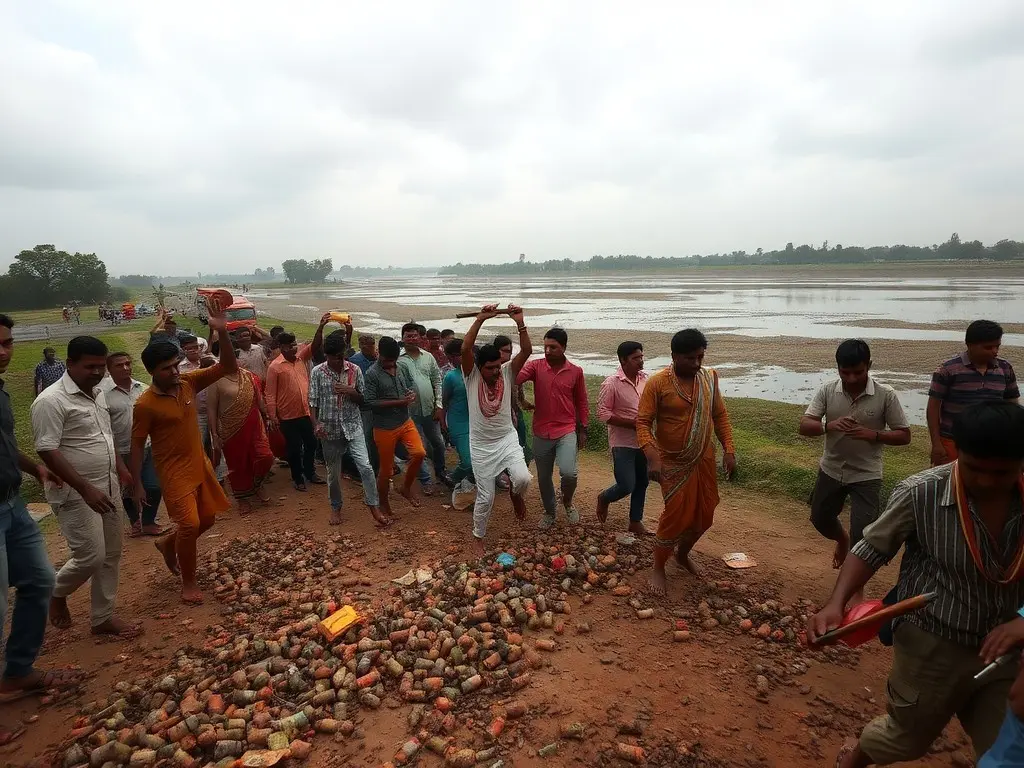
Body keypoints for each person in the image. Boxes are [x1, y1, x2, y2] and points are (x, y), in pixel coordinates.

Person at [809, 401, 1024, 768]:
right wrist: (836, 603)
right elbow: (871, 548)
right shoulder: (921, 492)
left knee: (1006, 748)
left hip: (1005, 651)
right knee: (905, 740)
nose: (987, 482)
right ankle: (859, 753)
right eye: (974, 469)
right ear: (957, 452)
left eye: (1001, 473)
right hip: (932, 644)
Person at [0, 314, 83, 725]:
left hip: (12, 502)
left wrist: (35, 470)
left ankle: (17, 671)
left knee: (38, 580)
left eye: (7, 342)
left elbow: (6, 445)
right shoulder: (47, 400)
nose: (3, 350)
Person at [131, 299, 237, 604]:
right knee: (189, 524)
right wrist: (137, 483)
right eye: (167, 369)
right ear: (152, 371)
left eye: (176, 365)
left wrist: (223, 331)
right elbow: (137, 443)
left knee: (208, 521)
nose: (175, 372)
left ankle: (168, 544)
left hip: (198, 464)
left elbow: (228, 367)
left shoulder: (188, 383)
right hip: (173, 472)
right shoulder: (145, 405)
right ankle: (188, 583)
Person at [31, 336, 134, 636]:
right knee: (91, 556)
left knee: (112, 553)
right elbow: (47, 449)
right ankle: (57, 592)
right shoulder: (51, 401)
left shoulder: (98, 393)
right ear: (70, 363)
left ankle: (102, 618)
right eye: (89, 366)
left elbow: (105, 435)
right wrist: (84, 487)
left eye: (101, 367)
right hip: (75, 492)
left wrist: (121, 468)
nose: (96, 372)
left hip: (109, 485)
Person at [799, 339, 912, 601]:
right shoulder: (828, 391)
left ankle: (856, 588)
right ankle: (842, 540)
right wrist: (830, 426)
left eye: (858, 372)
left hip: (867, 474)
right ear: (837, 367)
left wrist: (873, 435)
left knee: (865, 534)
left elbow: (904, 435)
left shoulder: (886, 395)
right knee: (820, 518)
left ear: (869, 366)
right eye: (844, 372)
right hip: (831, 469)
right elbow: (805, 426)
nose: (851, 378)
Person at [637, 329, 736, 596]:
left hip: (703, 458)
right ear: (674, 356)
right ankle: (658, 566)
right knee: (676, 516)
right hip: (672, 463)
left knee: (705, 515)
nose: (696, 364)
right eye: (690, 358)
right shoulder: (658, 383)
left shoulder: (709, 378)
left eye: (700, 357)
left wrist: (729, 449)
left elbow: (720, 415)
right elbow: (643, 423)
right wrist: (653, 457)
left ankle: (682, 554)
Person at [462, 305, 533, 555]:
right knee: (486, 497)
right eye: (489, 368)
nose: (494, 372)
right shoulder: (471, 377)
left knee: (523, 479)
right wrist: (480, 319)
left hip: (506, 439)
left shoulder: (508, 372)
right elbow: (465, 348)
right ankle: (478, 537)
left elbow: (527, 350)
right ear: (478, 367)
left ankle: (516, 495)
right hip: (481, 446)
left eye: (496, 367)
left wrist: (520, 322)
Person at [309, 332, 388, 528]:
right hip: (329, 429)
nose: (333, 361)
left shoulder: (355, 370)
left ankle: (373, 506)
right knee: (333, 474)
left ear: (343, 355)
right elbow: (312, 401)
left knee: (366, 467)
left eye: (336, 357)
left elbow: (364, 400)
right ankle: (336, 507)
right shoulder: (318, 372)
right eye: (328, 357)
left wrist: (351, 392)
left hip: (353, 426)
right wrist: (316, 424)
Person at [516, 327, 588, 528]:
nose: (548, 351)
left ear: (564, 347)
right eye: (546, 346)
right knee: (544, 476)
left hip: (566, 429)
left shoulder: (576, 371)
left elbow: (581, 402)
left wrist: (583, 429)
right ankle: (549, 512)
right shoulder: (535, 367)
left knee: (569, 473)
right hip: (541, 431)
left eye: (553, 347)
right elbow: (516, 377)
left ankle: (567, 501)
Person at [928, 320, 1019, 467]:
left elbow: (1013, 407)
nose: (995, 351)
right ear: (969, 344)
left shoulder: (1005, 368)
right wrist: (936, 444)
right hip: (953, 442)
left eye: (997, 346)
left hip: (994, 443)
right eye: (988, 347)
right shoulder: (948, 370)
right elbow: (933, 409)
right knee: (952, 486)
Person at [100, 353, 163, 537]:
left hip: (147, 446)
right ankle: (136, 522)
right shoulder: (102, 395)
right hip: (121, 449)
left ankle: (148, 521)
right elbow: (104, 427)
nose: (125, 368)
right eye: (119, 365)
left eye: (128, 364)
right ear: (109, 369)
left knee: (154, 485)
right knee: (127, 488)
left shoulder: (143, 389)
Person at [206, 348, 275, 516]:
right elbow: (211, 409)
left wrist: (268, 416)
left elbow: (259, 399)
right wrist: (214, 435)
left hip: (254, 425)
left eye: (235, 359)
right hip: (230, 429)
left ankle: (257, 484)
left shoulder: (249, 376)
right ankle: (242, 498)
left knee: (265, 457)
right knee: (238, 464)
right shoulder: (215, 380)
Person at [265, 315, 328, 491]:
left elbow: (315, 346)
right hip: (287, 415)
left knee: (311, 444)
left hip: (306, 412)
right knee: (293, 449)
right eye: (290, 346)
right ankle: (298, 478)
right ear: (282, 347)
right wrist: (272, 416)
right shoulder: (275, 367)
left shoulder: (301, 358)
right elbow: (270, 394)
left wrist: (321, 327)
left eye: (295, 344)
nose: (294, 348)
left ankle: (310, 472)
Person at [365, 336, 425, 517]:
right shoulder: (372, 374)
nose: (391, 364)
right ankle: (383, 503)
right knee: (386, 470)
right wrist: (400, 402)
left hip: (405, 421)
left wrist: (410, 394)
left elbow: (406, 387)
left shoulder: (400, 367)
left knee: (419, 453)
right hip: (384, 427)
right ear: (379, 354)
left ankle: (405, 488)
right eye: (387, 361)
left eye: (393, 360)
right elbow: (370, 402)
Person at [596, 341, 651, 535]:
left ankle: (635, 522)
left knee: (642, 482)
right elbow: (603, 413)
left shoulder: (646, 380)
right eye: (636, 358)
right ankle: (604, 498)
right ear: (623, 360)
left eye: (642, 357)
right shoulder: (611, 383)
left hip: (644, 441)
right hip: (621, 443)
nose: (641, 361)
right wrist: (633, 423)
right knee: (627, 484)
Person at [399, 322, 451, 491]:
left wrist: (438, 405)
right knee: (417, 448)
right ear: (403, 338)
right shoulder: (399, 360)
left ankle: (441, 472)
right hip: (409, 412)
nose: (412, 339)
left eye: (415, 335)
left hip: (430, 410)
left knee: (439, 443)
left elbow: (437, 380)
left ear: (420, 338)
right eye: (408, 336)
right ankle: (425, 480)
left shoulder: (428, 357)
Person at [495, 336, 534, 466]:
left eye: (510, 351)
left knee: (521, 444)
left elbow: (520, 398)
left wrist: (533, 406)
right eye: (505, 350)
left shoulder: (514, 370)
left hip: (516, 414)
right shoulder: (490, 371)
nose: (508, 354)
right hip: (498, 416)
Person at [442, 338, 474, 489]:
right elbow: (444, 402)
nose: (455, 359)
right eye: (452, 357)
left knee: (479, 458)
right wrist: (443, 423)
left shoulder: (477, 372)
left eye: (459, 355)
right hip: (458, 423)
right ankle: (453, 478)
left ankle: (473, 481)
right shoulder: (451, 377)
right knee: (467, 461)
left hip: (477, 422)